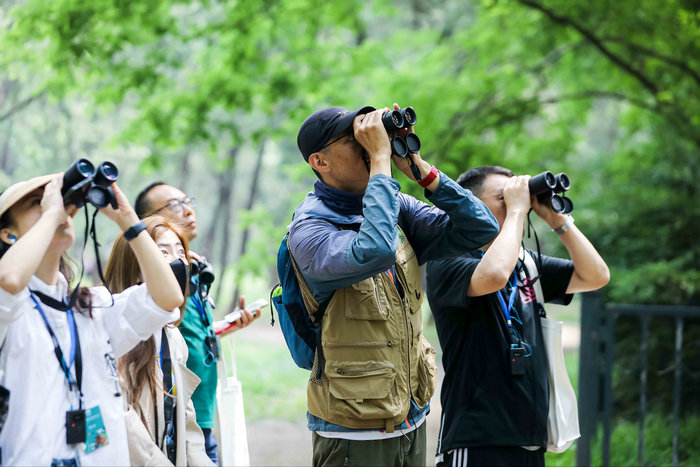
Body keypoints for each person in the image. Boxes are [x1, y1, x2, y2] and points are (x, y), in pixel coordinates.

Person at [287, 103, 500, 466]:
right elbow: (376, 250)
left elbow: (481, 228)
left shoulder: (395, 205)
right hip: (351, 429)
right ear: (319, 162)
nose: (367, 144)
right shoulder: (309, 228)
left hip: (409, 413)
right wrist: (382, 164)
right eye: (352, 138)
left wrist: (420, 170)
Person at [426, 166, 610, 467]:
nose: (517, 204)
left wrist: (557, 219)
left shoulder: (526, 265)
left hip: (529, 442)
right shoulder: (448, 258)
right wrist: (516, 212)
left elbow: (596, 275)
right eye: (503, 197)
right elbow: (494, 274)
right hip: (476, 441)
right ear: (470, 205)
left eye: (519, 198)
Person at [0, 173, 184, 465]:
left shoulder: (92, 308)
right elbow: (9, 279)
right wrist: (52, 216)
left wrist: (128, 221)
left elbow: (168, 298)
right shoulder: (10, 311)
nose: (57, 208)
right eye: (39, 202)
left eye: (62, 201)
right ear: (9, 234)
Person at [133, 182, 260, 464]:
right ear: (149, 221)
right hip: (171, 416)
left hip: (199, 412)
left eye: (187, 201)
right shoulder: (151, 282)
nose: (189, 210)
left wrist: (228, 325)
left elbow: (185, 336)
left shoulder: (194, 273)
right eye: (176, 205)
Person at [104, 215, 214, 466]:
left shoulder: (173, 337)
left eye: (180, 252)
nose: (176, 260)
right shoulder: (113, 333)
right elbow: (124, 421)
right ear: (135, 267)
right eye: (162, 252)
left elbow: (185, 418)